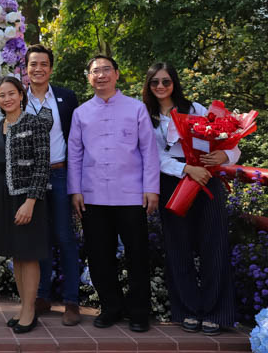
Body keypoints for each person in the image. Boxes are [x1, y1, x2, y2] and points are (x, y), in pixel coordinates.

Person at [142, 62, 238, 335]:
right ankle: (187, 310)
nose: (161, 86)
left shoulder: (195, 109)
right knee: (178, 247)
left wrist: (224, 155)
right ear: (148, 86)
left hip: (206, 179)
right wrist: (185, 168)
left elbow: (229, 141)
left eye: (166, 81)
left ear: (174, 83)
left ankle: (216, 313)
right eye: (155, 82)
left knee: (214, 244)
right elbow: (152, 156)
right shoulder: (145, 116)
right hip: (172, 182)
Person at [67, 54, 160, 333]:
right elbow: (75, 154)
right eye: (95, 71)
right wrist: (75, 190)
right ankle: (111, 307)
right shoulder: (81, 113)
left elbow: (149, 151)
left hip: (131, 194)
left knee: (137, 255)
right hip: (93, 195)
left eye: (106, 69)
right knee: (99, 255)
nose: (101, 75)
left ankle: (139, 312)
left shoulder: (136, 108)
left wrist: (151, 188)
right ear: (89, 78)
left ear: (117, 74)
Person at [24, 45, 82, 325]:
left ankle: (71, 301)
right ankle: (42, 296)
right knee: (39, 238)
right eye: (33, 64)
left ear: (51, 68)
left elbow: (77, 141)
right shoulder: (17, 97)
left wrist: (77, 183)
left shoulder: (66, 97)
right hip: (28, 179)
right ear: (26, 68)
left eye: (44, 64)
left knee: (65, 237)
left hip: (59, 174)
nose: (39, 69)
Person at [0, 76, 51, 334]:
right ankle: (23, 306)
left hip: (26, 197)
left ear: (21, 95)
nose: (7, 99)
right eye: (2, 95)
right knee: (16, 255)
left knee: (28, 254)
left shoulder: (35, 123)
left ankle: (30, 310)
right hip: (3, 196)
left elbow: (42, 166)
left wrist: (30, 202)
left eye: (11, 93)